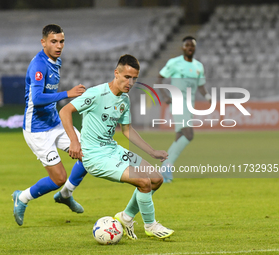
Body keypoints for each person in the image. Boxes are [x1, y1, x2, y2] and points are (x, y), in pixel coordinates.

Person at [59, 54, 174, 240]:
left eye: (134, 78)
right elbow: (65, 111)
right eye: (127, 77)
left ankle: (126, 217)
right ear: (116, 73)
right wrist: (74, 141)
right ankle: (150, 225)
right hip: (96, 157)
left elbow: (127, 131)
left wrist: (152, 152)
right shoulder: (96, 93)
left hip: (113, 150)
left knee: (156, 179)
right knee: (144, 182)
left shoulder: (124, 100)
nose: (130, 82)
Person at [12, 24, 88, 226]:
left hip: (55, 122)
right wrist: (67, 94)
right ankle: (22, 197)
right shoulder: (38, 65)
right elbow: (36, 99)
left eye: (61, 41)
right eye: (53, 41)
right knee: (59, 178)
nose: (58, 45)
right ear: (43, 42)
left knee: (88, 153)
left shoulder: (56, 60)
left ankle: (66, 195)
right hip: (37, 129)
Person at [157, 36, 211, 182]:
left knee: (180, 136)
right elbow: (159, 78)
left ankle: (165, 168)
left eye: (192, 46)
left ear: (194, 48)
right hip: (178, 102)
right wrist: (165, 96)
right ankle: (166, 166)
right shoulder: (174, 63)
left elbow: (201, 86)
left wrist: (207, 97)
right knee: (189, 134)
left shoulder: (199, 66)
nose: (189, 48)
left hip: (190, 104)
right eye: (187, 45)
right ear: (182, 48)